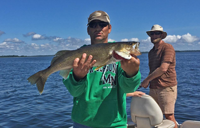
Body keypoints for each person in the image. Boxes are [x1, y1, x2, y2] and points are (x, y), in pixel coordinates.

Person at [63, 10, 141, 128]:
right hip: (82, 122)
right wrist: (77, 77)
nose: (98, 28)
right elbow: (74, 92)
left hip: (114, 124)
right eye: (93, 25)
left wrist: (132, 73)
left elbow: (128, 88)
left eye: (102, 24)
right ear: (88, 30)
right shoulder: (78, 56)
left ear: (109, 28)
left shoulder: (121, 58)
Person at [141, 24, 178, 128]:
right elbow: (152, 70)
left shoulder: (168, 47)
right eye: (152, 33)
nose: (154, 36)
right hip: (154, 88)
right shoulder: (151, 52)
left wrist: (146, 80)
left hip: (167, 87)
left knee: (169, 116)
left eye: (157, 33)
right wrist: (146, 82)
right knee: (155, 116)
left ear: (162, 35)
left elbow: (163, 68)